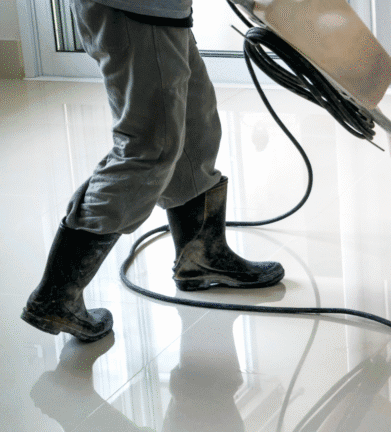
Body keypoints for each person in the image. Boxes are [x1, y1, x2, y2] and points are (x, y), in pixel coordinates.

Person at [21, 0, 284, 343]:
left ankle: (201, 256)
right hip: (136, 9)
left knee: (195, 129)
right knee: (148, 149)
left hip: (160, 10)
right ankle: (57, 295)